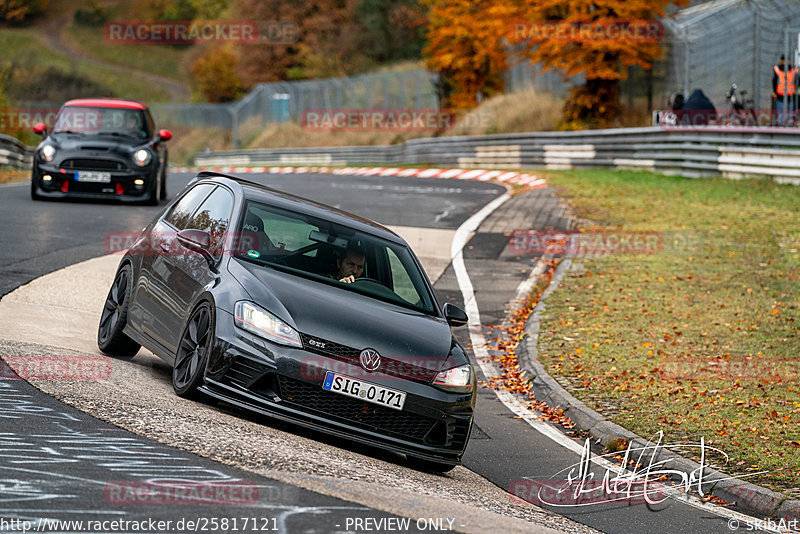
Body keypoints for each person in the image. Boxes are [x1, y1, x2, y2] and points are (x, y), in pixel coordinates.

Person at [772, 54, 797, 126]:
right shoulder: (793, 69)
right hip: (784, 95)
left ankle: (784, 126)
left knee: (785, 115)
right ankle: (785, 127)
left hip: (787, 95)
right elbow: (774, 81)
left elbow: (774, 81)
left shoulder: (793, 69)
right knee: (785, 115)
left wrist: (774, 92)